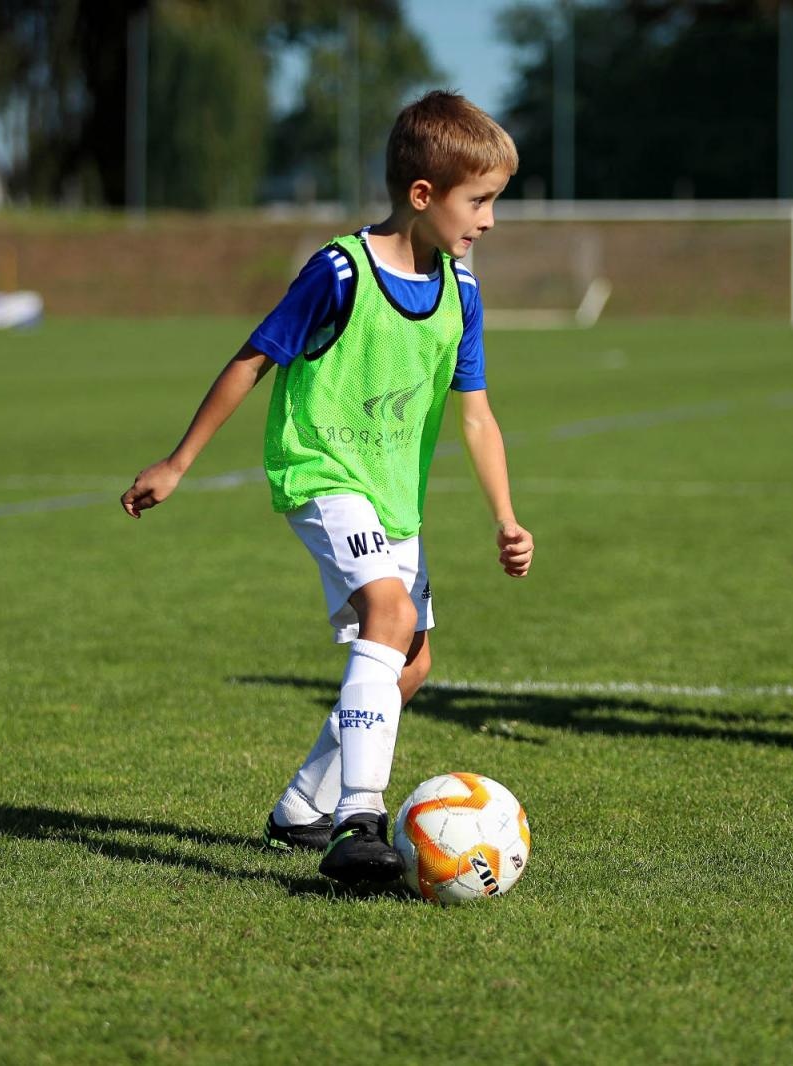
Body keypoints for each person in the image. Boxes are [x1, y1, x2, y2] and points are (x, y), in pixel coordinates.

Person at [119, 91, 534, 884]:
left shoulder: (462, 293)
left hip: (394, 497)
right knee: (389, 608)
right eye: (478, 201)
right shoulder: (340, 270)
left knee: (411, 664)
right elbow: (253, 357)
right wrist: (178, 462)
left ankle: (300, 810)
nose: (488, 220)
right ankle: (357, 820)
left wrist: (507, 519)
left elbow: (477, 419)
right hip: (321, 472)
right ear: (423, 196)